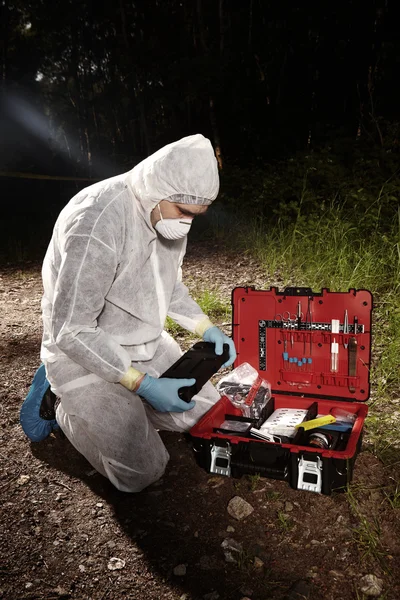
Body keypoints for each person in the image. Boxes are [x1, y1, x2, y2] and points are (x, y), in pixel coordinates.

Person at [20, 134, 236, 493]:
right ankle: (60, 403)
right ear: (160, 188)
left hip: (141, 339)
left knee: (204, 417)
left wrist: (206, 327)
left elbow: (168, 286)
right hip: (82, 351)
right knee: (141, 472)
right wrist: (145, 385)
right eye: (184, 212)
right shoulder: (97, 220)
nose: (187, 224)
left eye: (196, 215)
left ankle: (127, 406)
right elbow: (72, 329)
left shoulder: (165, 209)